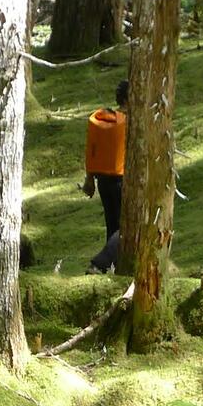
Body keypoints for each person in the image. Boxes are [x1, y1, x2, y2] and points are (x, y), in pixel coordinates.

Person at [82, 80, 129, 274]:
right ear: (129, 97)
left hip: (102, 180)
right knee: (126, 228)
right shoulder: (129, 121)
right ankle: (99, 264)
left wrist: (89, 178)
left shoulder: (107, 120)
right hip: (121, 180)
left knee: (113, 225)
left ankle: (115, 269)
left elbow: (93, 149)